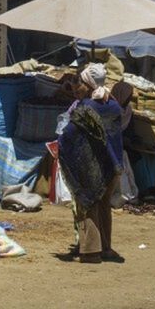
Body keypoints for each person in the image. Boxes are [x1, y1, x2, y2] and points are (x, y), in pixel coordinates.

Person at [57, 82, 121, 262]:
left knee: (88, 204)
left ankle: (91, 252)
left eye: (81, 82)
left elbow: (69, 133)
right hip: (112, 163)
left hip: (91, 164)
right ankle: (106, 248)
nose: (77, 86)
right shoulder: (114, 105)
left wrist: (61, 145)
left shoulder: (85, 108)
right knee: (104, 205)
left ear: (89, 84)